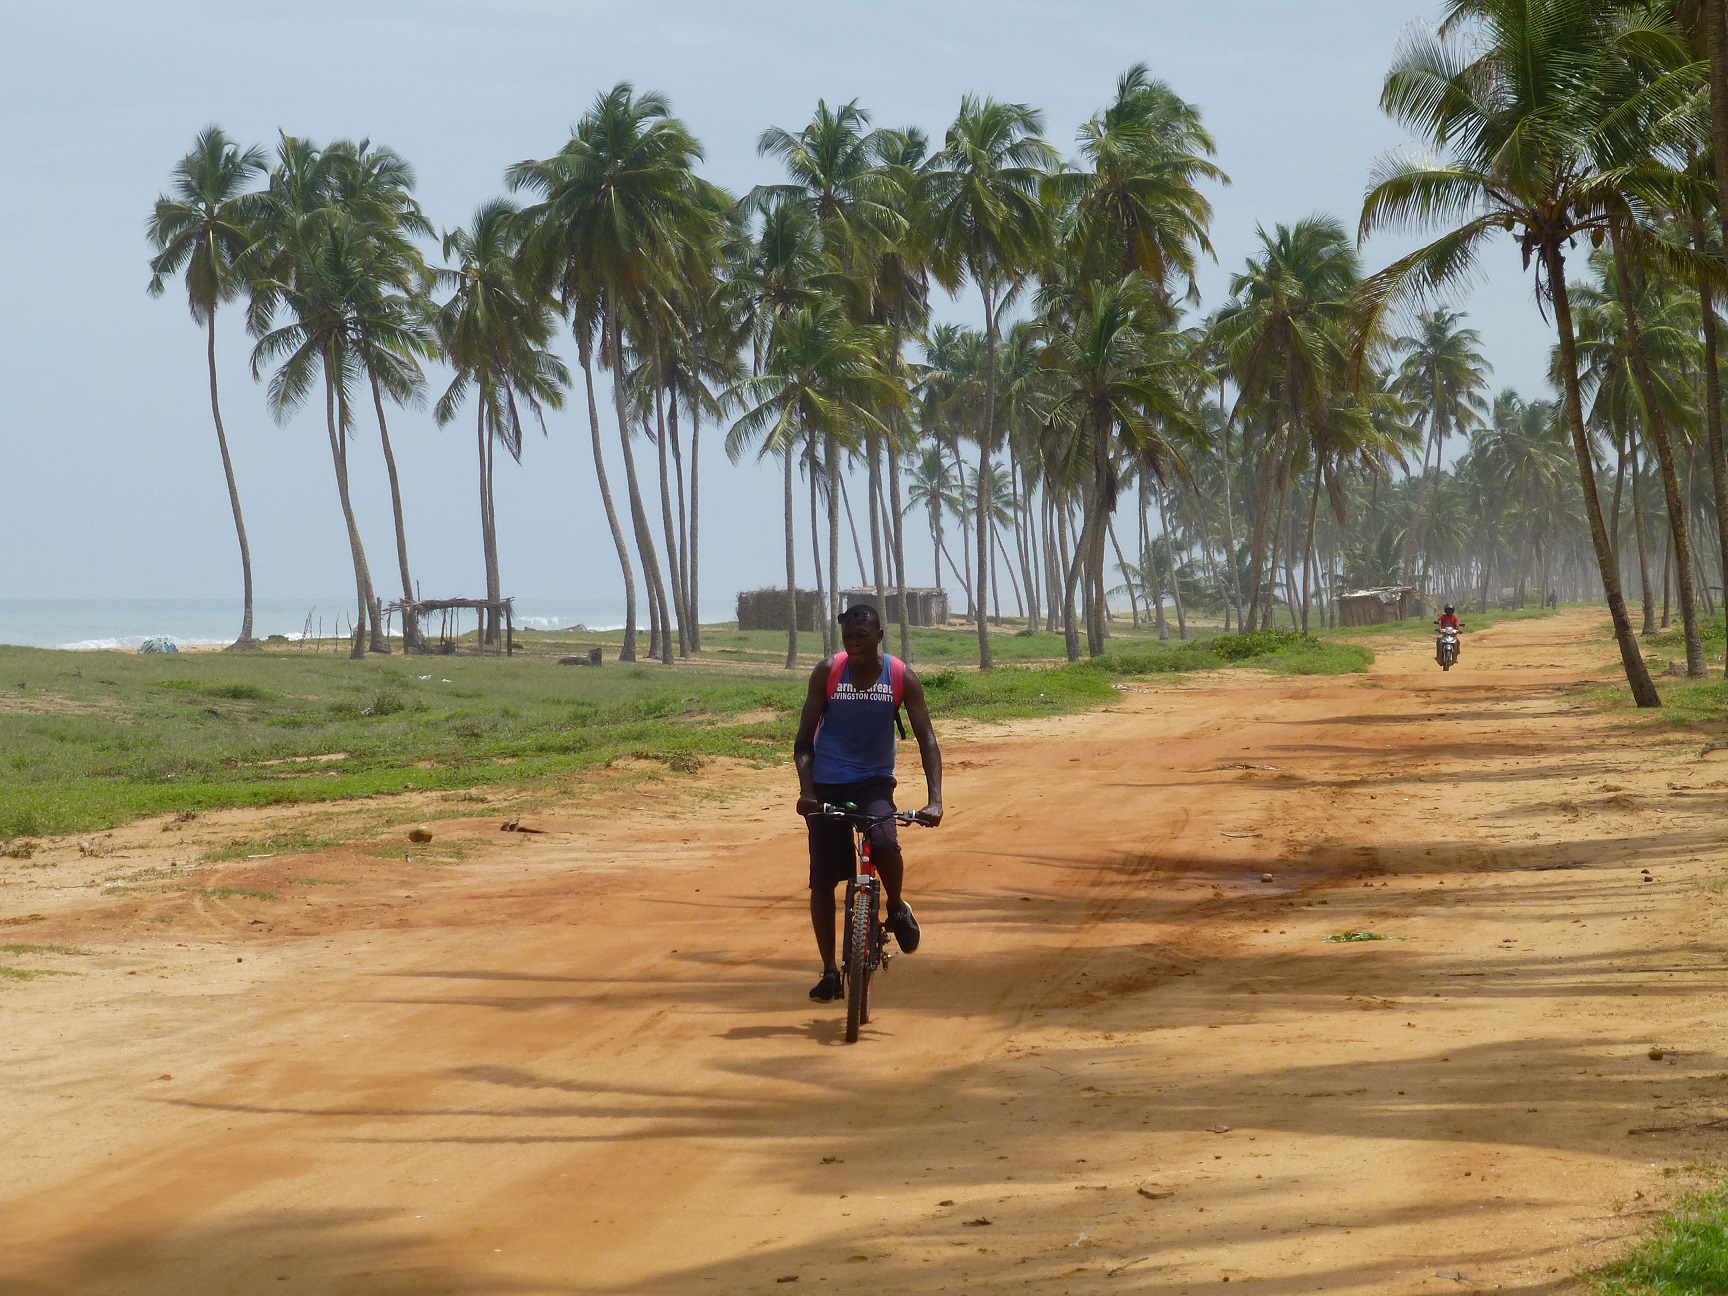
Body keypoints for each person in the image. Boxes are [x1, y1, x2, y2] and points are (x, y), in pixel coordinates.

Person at [793, 603, 943, 1003]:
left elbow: (926, 737)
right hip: (826, 783)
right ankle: (828, 970)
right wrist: (807, 791)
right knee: (823, 879)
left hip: (874, 782)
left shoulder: (899, 676)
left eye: (862, 635)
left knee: (886, 841)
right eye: (847, 637)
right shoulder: (828, 672)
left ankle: (895, 906)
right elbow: (804, 740)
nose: (854, 643)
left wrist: (935, 800)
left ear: (879, 635)